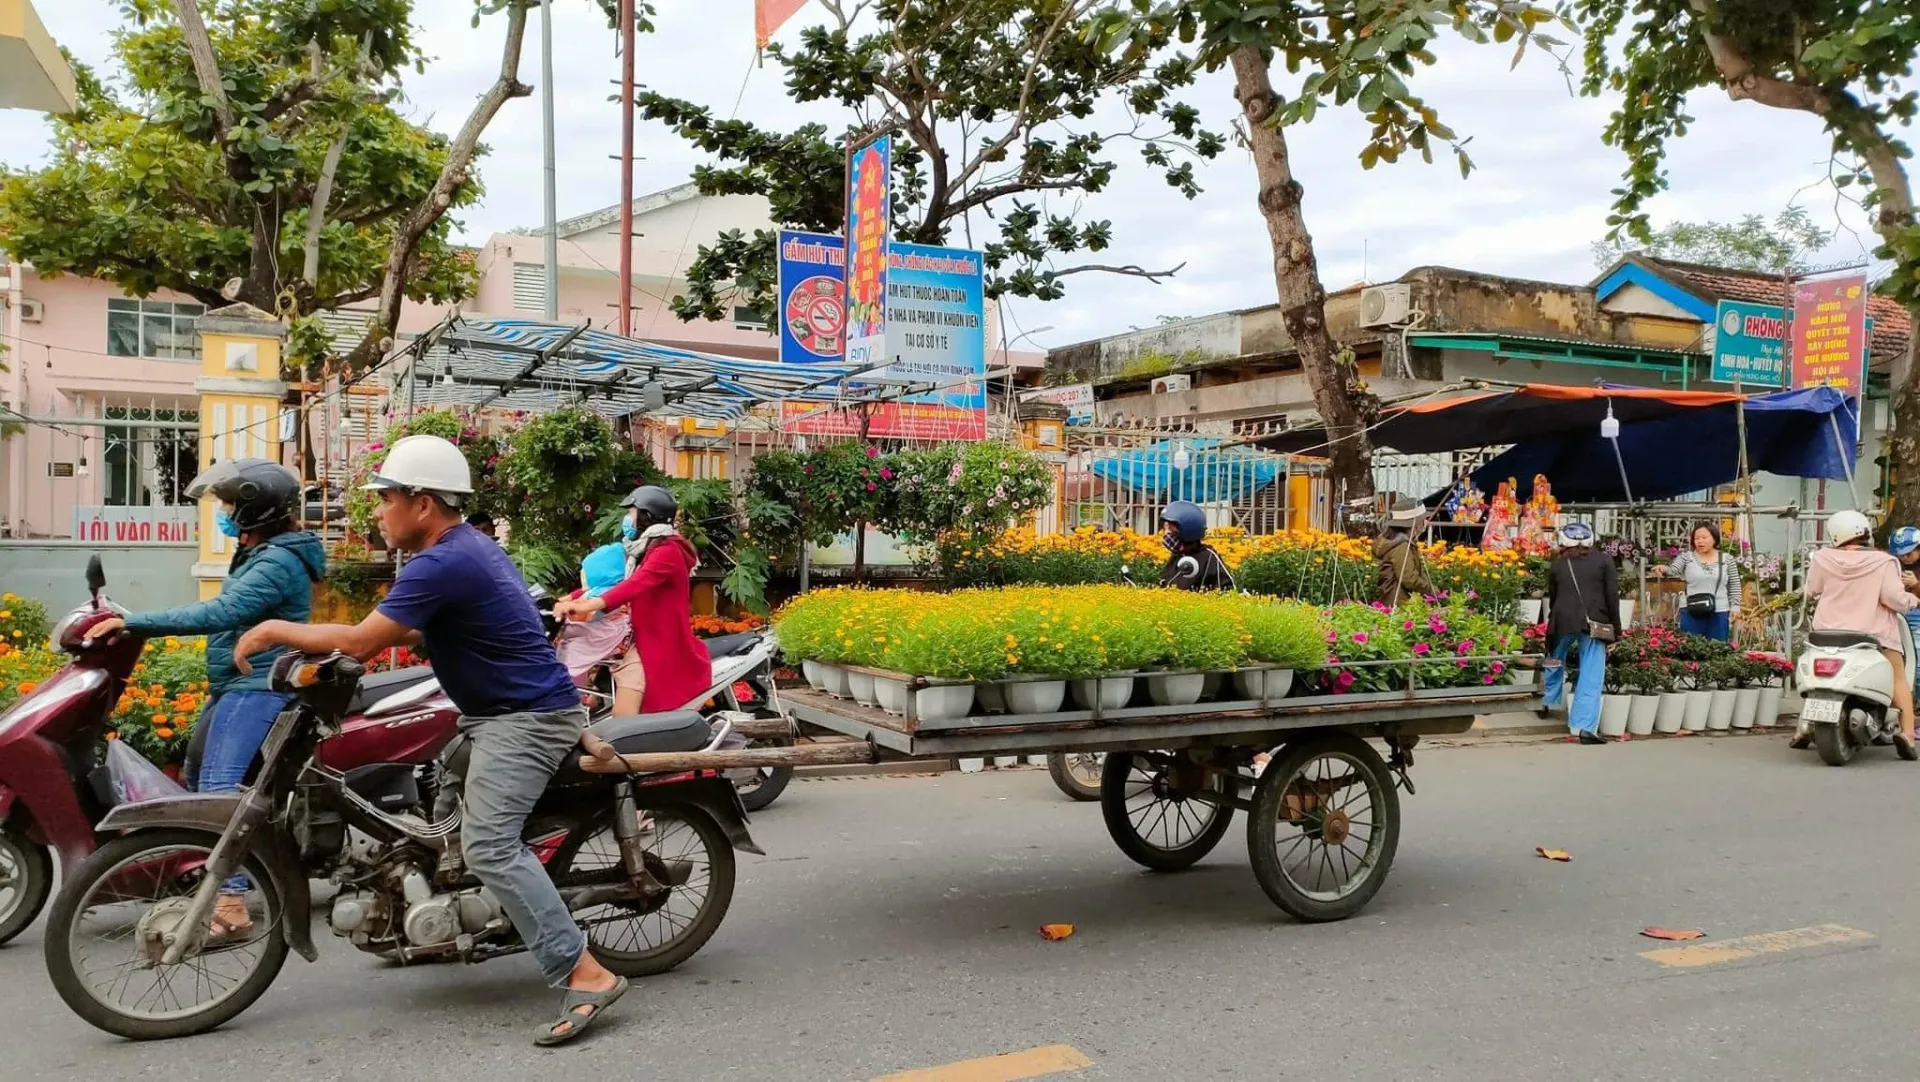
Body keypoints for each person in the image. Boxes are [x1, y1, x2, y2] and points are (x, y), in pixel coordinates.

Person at [231, 434, 627, 1046]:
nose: (377, 511)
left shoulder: (446, 561)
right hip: (492, 714)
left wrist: (277, 629)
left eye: (385, 498)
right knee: (439, 823)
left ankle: (586, 972)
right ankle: (450, 921)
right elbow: (408, 633)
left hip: (526, 718)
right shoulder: (459, 551)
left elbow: (366, 639)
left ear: (422, 504)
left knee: (489, 845)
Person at [84, 458, 325, 943]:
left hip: (257, 687)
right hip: (234, 687)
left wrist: (138, 622)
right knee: (196, 778)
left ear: (254, 512)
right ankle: (213, 877)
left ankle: (233, 902)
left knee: (218, 789)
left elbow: (223, 611)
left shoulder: (277, 561)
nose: (224, 513)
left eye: (230, 505)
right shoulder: (260, 551)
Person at [553, 485, 711, 715]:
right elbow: (616, 583)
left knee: (626, 706)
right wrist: (575, 598)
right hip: (642, 634)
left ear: (647, 516)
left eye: (632, 513)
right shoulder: (645, 548)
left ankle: (628, 745)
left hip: (660, 639)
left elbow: (634, 585)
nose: (628, 519)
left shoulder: (668, 551)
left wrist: (589, 605)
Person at [1795, 509, 1917, 756]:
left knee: (1817, 677)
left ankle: (1801, 728)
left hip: (1827, 632)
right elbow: (1893, 599)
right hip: (1872, 633)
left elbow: (1813, 589)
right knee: (1898, 677)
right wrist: (1912, 600)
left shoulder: (1822, 557)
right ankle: (1907, 734)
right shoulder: (1884, 561)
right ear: (1865, 533)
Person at [1543, 521, 1619, 745]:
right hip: (1594, 623)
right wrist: (1616, 631)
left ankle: (1547, 700)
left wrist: (1550, 625)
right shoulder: (1604, 561)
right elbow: (1612, 597)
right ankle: (1584, 727)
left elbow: (1553, 597)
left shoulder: (1558, 564)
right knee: (1591, 675)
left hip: (1561, 621)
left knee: (1554, 659)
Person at [554, 543, 635, 707]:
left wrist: (569, 611)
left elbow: (586, 613)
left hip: (605, 635)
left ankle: (566, 692)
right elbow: (575, 597)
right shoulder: (611, 588)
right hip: (610, 634)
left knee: (568, 648)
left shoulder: (604, 593)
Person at [1655, 521, 1741, 641]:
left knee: (1718, 649)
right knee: (1691, 650)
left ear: (1714, 539)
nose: (1700, 541)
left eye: (1704, 537)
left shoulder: (1727, 559)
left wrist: (1735, 606)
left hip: (1719, 610)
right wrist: (1663, 569)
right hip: (1691, 609)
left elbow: (1734, 584)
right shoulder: (1686, 557)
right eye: (1696, 538)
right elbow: (1673, 570)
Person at [1158, 500, 1232, 591]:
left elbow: (1227, 590)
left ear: (1188, 529)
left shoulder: (1209, 558)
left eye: (1170, 528)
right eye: (1165, 528)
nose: (1166, 534)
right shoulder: (1177, 556)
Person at [1374, 500, 1434, 608]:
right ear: (1415, 523)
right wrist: (1432, 590)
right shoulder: (1401, 546)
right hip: (1401, 605)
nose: (1425, 523)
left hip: (1399, 603)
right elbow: (1409, 579)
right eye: (1422, 519)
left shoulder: (1400, 542)